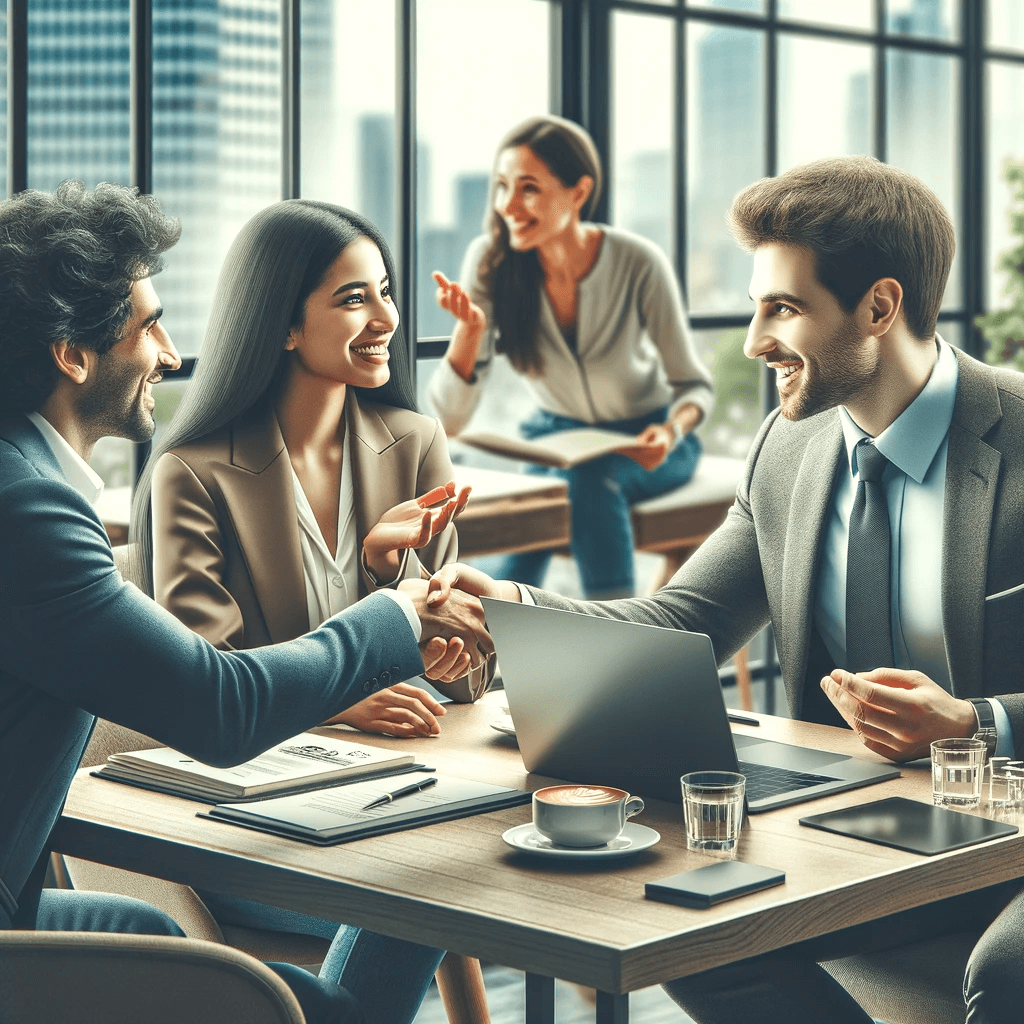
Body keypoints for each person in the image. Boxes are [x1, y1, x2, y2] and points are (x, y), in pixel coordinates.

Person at [429, 155, 1024, 1024]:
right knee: (680, 924)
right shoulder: (789, 451)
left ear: (880, 306)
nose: (752, 343)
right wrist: (512, 612)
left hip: (1009, 832)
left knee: (1007, 974)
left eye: (782, 308)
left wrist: (980, 722)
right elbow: (685, 620)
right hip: (868, 833)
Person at [0, 180, 491, 1024]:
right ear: (71, 355)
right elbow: (219, 704)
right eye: (147, 324)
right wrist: (399, 613)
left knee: (144, 931)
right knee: (289, 998)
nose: (171, 352)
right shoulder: (29, 512)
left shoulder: (24, 482)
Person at [429, 115, 715, 599]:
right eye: (501, 187)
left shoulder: (638, 262)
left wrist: (670, 431)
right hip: (555, 442)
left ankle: (618, 630)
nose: (508, 206)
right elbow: (450, 420)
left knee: (588, 483)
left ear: (578, 193)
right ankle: (489, 650)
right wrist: (470, 330)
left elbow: (694, 385)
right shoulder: (491, 262)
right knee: (532, 516)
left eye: (528, 189)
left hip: (648, 442)